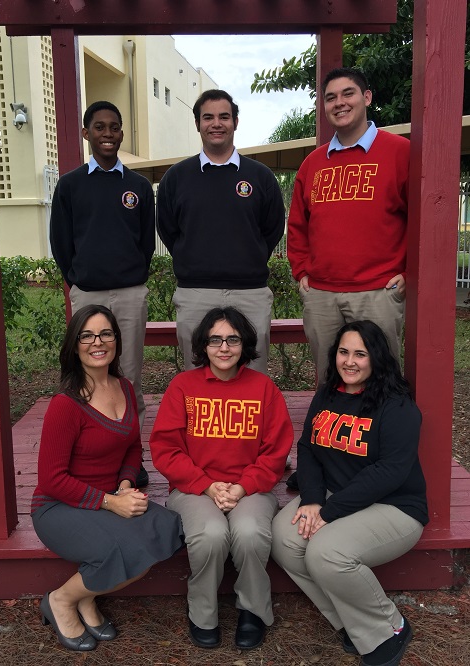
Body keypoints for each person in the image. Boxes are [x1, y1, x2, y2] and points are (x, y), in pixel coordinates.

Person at [271, 320, 428, 666]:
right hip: (334, 496)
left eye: (361, 353)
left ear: (377, 358)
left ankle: (390, 628)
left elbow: (388, 473)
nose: (350, 361)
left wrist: (327, 511)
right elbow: (308, 448)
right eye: (344, 352)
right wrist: (312, 500)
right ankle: (351, 623)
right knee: (284, 538)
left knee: (326, 553)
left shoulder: (397, 405)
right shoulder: (328, 393)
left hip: (394, 506)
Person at [31, 305, 183, 652]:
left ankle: (88, 598)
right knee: (124, 548)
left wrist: (126, 485)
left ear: (116, 340)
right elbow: (51, 479)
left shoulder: (125, 388)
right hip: (59, 507)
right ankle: (61, 600)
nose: (97, 342)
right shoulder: (65, 404)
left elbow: (131, 448)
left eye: (106, 334)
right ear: (75, 345)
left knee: (164, 531)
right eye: (87, 335)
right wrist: (110, 502)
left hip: (109, 497)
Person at [150, 307, 293, 650]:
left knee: (249, 532)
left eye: (232, 339)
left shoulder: (263, 388)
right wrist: (207, 485)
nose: (224, 348)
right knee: (211, 534)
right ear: (203, 345)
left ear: (244, 344)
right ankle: (203, 612)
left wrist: (242, 487)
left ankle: (253, 610)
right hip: (194, 489)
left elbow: (275, 453)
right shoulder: (183, 386)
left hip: (251, 489)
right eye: (215, 340)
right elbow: (166, 449)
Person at [50, 101, 154, 485]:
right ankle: (93, 456)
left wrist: (133, 274)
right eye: (99, 127)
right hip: (88, 293)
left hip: (129, 293)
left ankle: (133, 460)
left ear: (122, 133)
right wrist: (77, 277)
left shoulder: (138, 187)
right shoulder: (71, 184)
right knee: (89, 375)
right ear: (86, 133)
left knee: (129, 377)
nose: (107, 134)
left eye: (114, 127)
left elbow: (146, 242)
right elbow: (61, 241)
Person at [287, 68, 410, 384]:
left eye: (348, 94)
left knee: (382, 380)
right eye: (330, 98)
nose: (339, 103)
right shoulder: (313, 163)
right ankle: (332, 435)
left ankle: (381, 435)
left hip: (378, 292)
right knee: (330, 381)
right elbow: (298, 225)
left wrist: (409, 273)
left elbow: (421, 220)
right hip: (322, 295)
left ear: (366, 97)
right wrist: (301, 271)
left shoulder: (399, 152)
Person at [157, 89, 285, 374]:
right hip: (195, 293)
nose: (217, 123)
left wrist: (250, 257)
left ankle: (252, 421)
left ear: (235, 122)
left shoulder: (260, 176)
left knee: (252, 374)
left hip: (250, 292)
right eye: (208, 117)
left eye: (224, 117)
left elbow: (273, 227)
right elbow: (168, 228)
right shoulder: (176, 177)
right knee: (197, 374)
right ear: (197, 124)